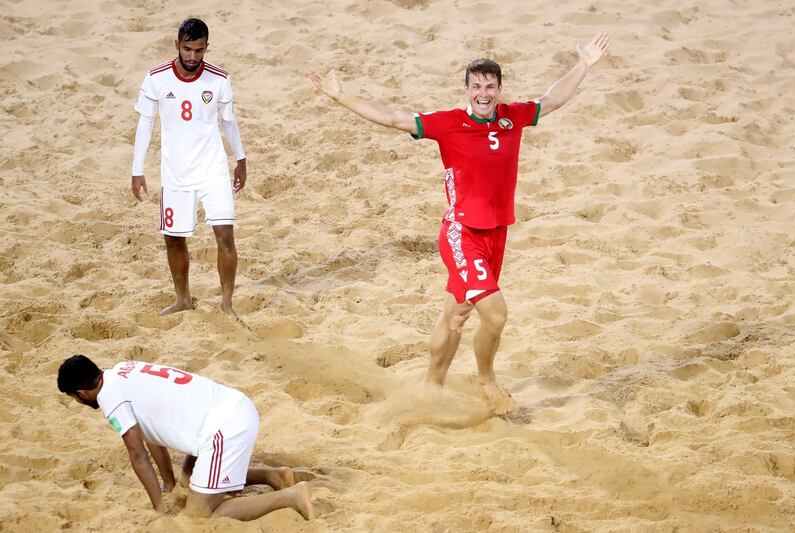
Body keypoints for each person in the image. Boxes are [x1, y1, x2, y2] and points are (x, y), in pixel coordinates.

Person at [310, 33, 610, 416]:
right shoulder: (447, 124)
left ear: (499, 89)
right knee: (496, 314)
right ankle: (487, 382)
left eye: (489, 86)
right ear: (467, 90)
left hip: (497, 233)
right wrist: (341, 96)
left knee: (455, 315)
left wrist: (583, 63)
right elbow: (392, 118)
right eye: (476, 86)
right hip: (461, 233)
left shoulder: (512, 117)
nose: (483, 93)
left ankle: (430, 389)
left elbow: (553, 99)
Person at [57, 355, 315, 520]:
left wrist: (159, 507)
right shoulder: (124, 369)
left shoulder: (109, 398)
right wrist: (168, 485)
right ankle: (274, 475)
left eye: (74, 398)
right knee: (188, 479)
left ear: (81, 393)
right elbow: (152, 437)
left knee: (200, 513)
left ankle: (290, 497)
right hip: (233, 405)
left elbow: (137, 454)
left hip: (225, 429)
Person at [131, 18, 247, 316]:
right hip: (176, 172)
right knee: (174, 239)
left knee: (225, 235)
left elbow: (229, 122)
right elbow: (146, 122)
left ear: (207, 47)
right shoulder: (156, 78)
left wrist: (241, 159)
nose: (193, 56)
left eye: (199, 50)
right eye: (187, 49)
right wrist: (137, 169)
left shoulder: (218, 80)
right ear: (177, 45)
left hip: (213, 169)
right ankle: (183, 299)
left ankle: (227, 304)